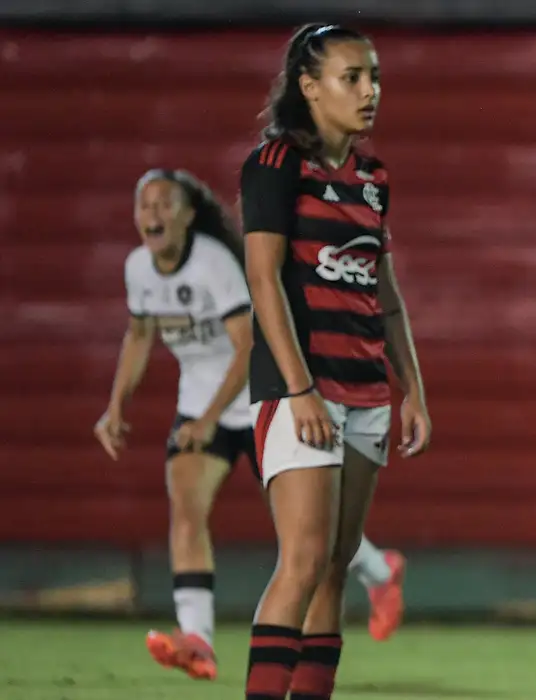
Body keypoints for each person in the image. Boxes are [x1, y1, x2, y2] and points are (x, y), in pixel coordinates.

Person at [93, 168, 410, 684]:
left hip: (262, 401)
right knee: (186, 510)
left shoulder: (214, 265)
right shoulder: (138, 269)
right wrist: (115, 406)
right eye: (144, 205)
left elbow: (246, 346)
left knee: (309, 536)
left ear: (188, 214)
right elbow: (138, 334)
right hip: (202, 409)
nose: (152, 215)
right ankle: (197, 638)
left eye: (164, 205)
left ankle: (380, 571)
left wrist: (210, 417)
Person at [239, 23, 431, 700]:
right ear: (309, 86)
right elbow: (263, 280)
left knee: (336, 565)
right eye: (352, 77)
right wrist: (300, 391)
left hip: (368, 393)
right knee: (303, 560)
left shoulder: (374, 177)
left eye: (373, 76)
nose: (369, 90)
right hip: (303, 393)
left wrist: (412, 390)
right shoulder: (275, 164)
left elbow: (387, 296)